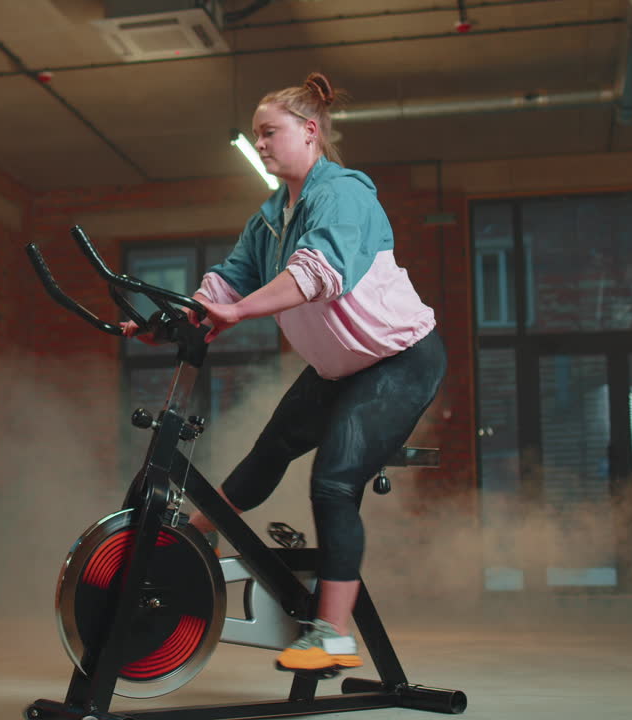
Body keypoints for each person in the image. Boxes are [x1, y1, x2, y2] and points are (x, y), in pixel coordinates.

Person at [124, 72, 446, 674]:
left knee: (332, 483)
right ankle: (194, 538)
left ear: (310, 131)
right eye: (256, 136)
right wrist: (165, 319)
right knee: (264, 457)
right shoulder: (272, 214)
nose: (262, 144)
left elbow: (318, 271)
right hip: (335, 370)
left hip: (398, 361)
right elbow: (226, 282)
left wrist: (238, 311)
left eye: (269, 133)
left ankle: (333, 635)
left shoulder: (344, 194)